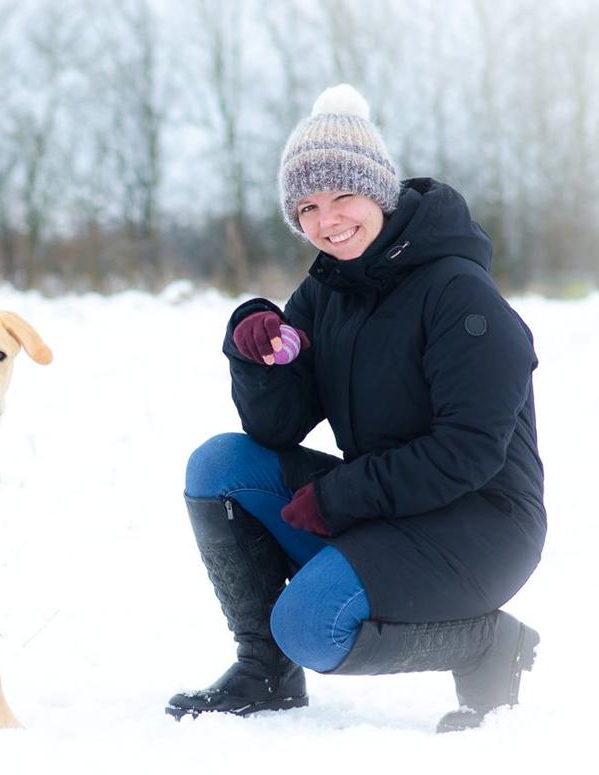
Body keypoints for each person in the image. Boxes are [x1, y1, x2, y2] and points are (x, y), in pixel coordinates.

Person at [165, 84, 545, 732]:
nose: (328, 219)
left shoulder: (459, 294)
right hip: (388, 505)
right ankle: (265, 671)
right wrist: (254, 354)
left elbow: (470, 451)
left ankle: (487, 643)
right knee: (219, 466)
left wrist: (341, 496)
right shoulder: (328, 287)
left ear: (380, 190)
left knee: (311, 624)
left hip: (481, 522)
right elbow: (274, 427)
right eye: (307, 205)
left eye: (343, 194)